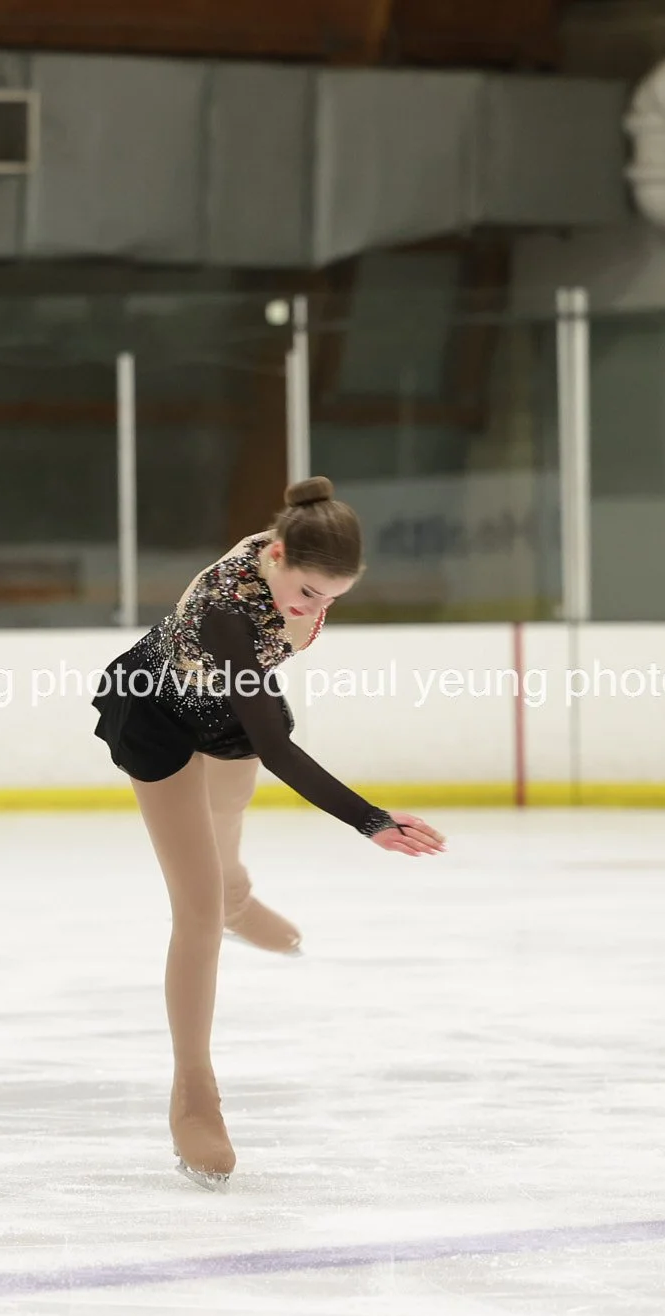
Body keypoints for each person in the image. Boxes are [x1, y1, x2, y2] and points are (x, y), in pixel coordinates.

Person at [91, 476, 447, 1189]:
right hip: (158, 712)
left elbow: (263, 699)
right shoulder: (228, 613)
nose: (315, 608)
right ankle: (194, 1093)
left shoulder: (299, 546)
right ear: (277, 554)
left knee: (226, 820)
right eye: (308, 592)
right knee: (195, 910)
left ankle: (237, 895)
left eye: (333, 598)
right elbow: (278, 749)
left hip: (229, 698)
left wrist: (308, 596)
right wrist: (371, 820)